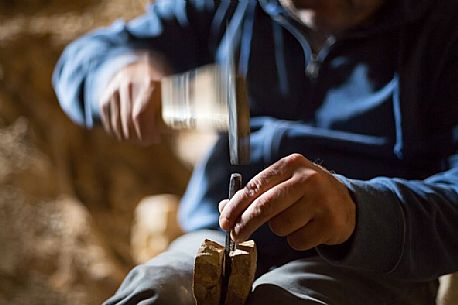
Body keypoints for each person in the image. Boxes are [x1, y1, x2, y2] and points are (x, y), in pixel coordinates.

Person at [52, 0, 458, 304]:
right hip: (216, 233)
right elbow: (84, 56)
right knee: (153, 292)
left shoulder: (442, 28)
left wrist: (356, 212)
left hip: (371, 262)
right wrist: (115, 72)